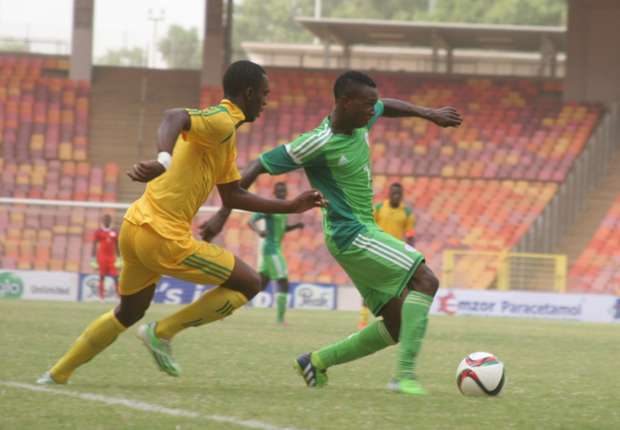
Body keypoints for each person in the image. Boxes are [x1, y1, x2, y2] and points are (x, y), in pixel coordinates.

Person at [36, 60, 326, 385]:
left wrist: (290, 206)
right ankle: (162, 332)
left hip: (134, 226)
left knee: (128, 312)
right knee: (250, 283)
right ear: (248, 93)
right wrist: (164, 159)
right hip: (162, 236)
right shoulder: (221, 119)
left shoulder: (224, 138)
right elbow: (174, 116)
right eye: (264, 93)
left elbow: (232, 196)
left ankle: (58, 372)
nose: (266, 100)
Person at [201, 70, 462, 395]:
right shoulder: (317, 142)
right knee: (426, 280)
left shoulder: (361, 119)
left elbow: (388, 106)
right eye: (367, 105)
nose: (373, 110)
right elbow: (256, 166)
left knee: (396, 325)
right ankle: (404, 376)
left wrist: (430, 114)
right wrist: (223, 214)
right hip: (351, 233)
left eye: (373, 104)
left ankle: (315, 362)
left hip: (358, 233)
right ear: (345, 102)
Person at [358, 182, 416, 328]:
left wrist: (410, 252)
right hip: (377, 252)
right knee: (370, 287)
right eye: (393, 193)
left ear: (402, 195)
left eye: (399, 193)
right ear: (388, 194)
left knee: (398, 289)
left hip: (396, 255)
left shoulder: (407, 213)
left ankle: (400, 320)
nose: (396, 195)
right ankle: (363, 321)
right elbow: (367, 226)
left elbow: (410, 235)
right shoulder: (378, 208)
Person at [248, 182, 304, 325]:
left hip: (274, 249)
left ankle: (224, 305)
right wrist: (259, 231)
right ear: (274, 193)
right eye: (279, 191)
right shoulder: (270, 207)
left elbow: (282, 228)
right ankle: (280, 320)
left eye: (283, 191)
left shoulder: (284, 209)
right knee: (282, 279)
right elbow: (251, 221)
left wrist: (296, 226)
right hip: (271, 249)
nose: (281, 193)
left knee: (258, 286)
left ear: (286, 193)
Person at [91, 214, 121, 300]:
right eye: (105, 220)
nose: (106, 221)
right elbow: (94, 244)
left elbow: (117, 245)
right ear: (103, 221)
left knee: (115, 276)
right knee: (102, 276)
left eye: (108, 220)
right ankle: (101, 297)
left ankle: (118, 296)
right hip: (102, 258)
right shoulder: (98, 232)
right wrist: (93, 258)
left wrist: (119, 258)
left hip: (112, 258)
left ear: (110, 221)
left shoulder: (114, 232)